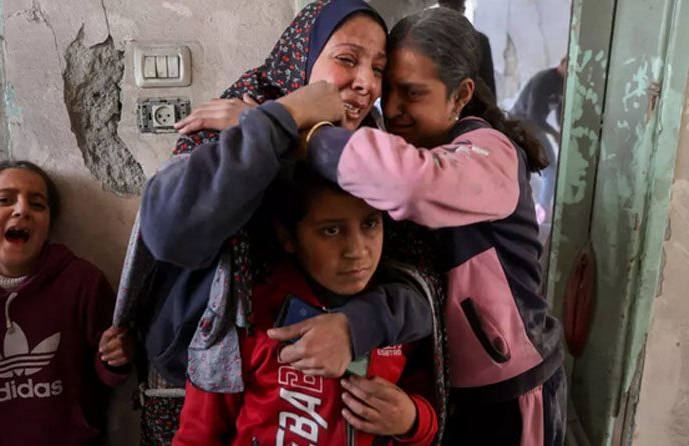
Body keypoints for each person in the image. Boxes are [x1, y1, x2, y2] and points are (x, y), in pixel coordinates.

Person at [126, 1, 446, 443]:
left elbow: (423, 283)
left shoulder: (374, 150)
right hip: (207, 383)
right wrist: (281, 118)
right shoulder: (244, 116)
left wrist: (359, 327)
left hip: (336, 384)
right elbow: (168, 232)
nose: (365, 84)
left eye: (378, 68)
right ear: (302, 57)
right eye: (347, 60)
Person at [294, 8, 566, 445]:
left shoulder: (491, 152)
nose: (395, 109)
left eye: (413, 93)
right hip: (455, 385)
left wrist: (306, 131)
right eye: (390, 90)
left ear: (461, 96)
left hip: (512, 389)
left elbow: (412, 186)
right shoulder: (409, 142)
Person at [171, 163, 439, 446]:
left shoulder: (399, 316)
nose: (357, 251)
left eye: (370, 224)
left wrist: (412, 420)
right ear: (288, 237)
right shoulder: (249, 315)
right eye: (332, 230)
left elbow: (429, 413)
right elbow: (197, 435)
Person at [0, 160, 133, 446]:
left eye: (37, 204)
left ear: (49, 225)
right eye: (5, 200)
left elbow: (109, 377)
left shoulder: (83, 283)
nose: (22, 210)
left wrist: (117, 357)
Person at [510, 57, 567, 220]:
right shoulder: (543, 79)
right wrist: (554, 133)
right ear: (562, 63)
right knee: (548, 168)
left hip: (533, 126)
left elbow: (560, 110)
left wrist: (561, 128)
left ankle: (542, 209)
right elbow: (533, 115)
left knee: (549, 169)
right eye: (569, 66)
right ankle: (540, 212)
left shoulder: (565, 83)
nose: (571, 71)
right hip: (521, 124)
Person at [438, 0, 497, 99]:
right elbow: (489, 92)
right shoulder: (479, 40)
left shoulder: (431, 40)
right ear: (463, 10)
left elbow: (489, 91)